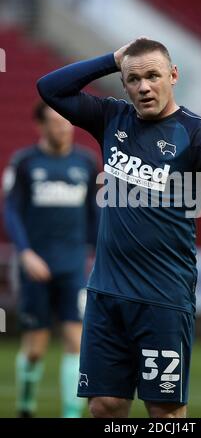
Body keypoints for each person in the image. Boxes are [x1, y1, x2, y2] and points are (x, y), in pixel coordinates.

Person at [37, 38, 201, 419]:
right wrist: (112, 59)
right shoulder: (110, 118)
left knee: (164, 412)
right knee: (104, 406)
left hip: (163, 298)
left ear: (173, 75)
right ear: (124, 83)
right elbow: (49, 88)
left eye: (153, 76)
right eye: (133, 79)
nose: (144, 87)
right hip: (106, 295)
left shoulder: (200, 134)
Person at [2, 101, 99, 418]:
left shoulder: (86, 163)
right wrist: (26, 253)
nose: (63, 127)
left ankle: (71, 414)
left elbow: (94, 216)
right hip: (35, 266)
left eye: (66, 122)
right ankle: (26, 406)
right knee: (35, 348)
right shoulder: (25, 163)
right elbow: (11, 211)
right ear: (40, 126)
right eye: (56, 122)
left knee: (75, 340)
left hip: (73, 265)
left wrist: (99, 254)